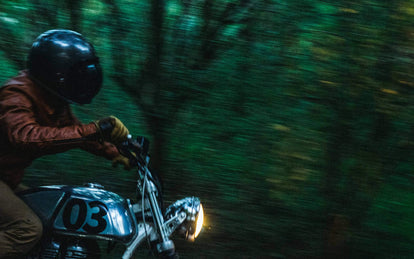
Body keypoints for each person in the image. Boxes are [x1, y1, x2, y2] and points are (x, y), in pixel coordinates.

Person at [0, 29, 131, 258]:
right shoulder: (16, 94)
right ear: (54, 71)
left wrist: (117, 153)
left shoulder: (53, 97)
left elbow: (77, 134)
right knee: (27, 228)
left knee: (50, 211)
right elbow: (25, 137)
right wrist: (96, 129)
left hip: (8, 179)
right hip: (3, 179)